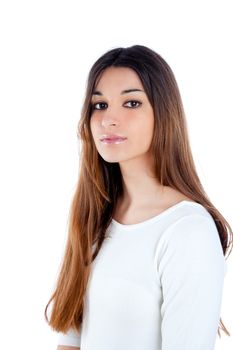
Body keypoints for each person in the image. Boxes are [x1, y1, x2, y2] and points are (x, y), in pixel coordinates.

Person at [44, 45, 232, 350]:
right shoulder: (94, 217)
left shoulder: (187, 231)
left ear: (163, 112)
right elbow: (71, 339)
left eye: (131, 103)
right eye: (99, 105)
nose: (109, 119)